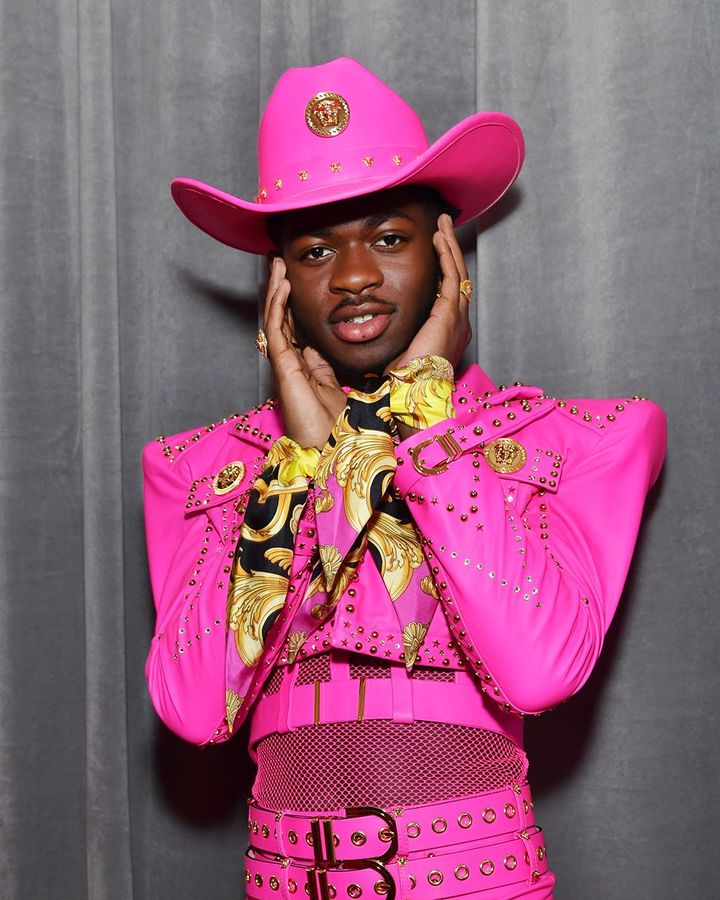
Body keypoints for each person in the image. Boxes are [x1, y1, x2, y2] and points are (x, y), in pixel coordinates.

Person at [143, 57, 666, 899]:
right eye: (315, 249)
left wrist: (423, 419)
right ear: (278, 284)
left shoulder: (583, 441)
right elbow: (196, 710)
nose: (351, 276)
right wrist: (306, 464)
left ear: (448, 254)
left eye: (388, 237)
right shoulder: (200, 472)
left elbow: (538, 671)